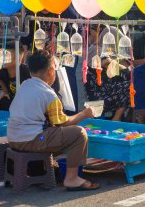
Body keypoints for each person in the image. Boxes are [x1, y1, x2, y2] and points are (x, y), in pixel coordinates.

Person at [7, 50, 99, 191]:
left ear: (31, 71)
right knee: (79, 134)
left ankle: (49, 167)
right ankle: (72, 178)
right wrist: (84, 114)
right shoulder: (48, 94)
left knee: (55, 132)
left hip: (13, 138)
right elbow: (63, 123)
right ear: (51, 71)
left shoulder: (25, 85)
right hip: (32, 140)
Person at [84, 55, 131, 121]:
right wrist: (122, 66)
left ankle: (124, 117)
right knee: (130, 86)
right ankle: (116, 118)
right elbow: (107, 62)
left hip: (107, 91)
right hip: (99, 96)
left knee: (132, 85)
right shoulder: (98, 50)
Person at [0, 43, 30, 111]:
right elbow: (5, 91)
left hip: (27, 101)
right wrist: (5, 93)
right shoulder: (1, 71)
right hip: (14, 100)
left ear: (18, 58)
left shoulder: (27, 72)